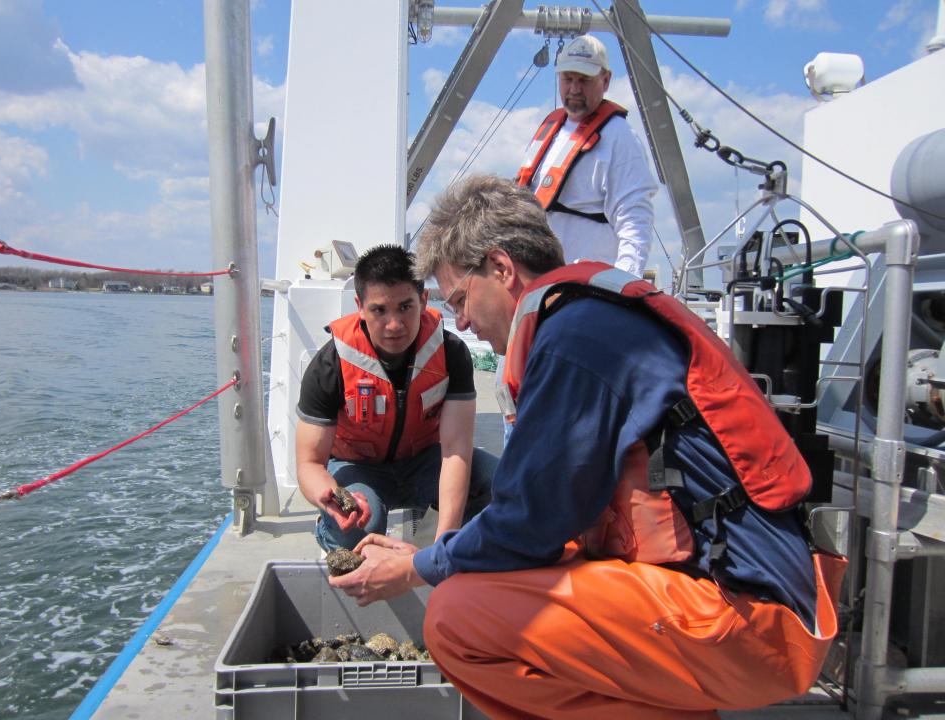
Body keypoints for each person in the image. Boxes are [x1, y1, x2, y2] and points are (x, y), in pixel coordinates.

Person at [329, 176, 845, 719]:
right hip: (746, 597)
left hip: (746, 615)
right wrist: (432, 558)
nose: (459, 321)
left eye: (459, 298)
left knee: (456, 620)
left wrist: (418, 570)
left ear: (501, 269)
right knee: (476, 578)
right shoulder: (589, 319)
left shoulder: (573, 338)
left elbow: (525, 522)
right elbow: (543, 526)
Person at [295, 244, 496, 551]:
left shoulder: (450, 353)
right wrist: (331, 496)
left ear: (424, 300)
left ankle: (432, 544)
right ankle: (335, 538)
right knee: (357, 522)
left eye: (405, 307)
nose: (394, 324)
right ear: (360, 306)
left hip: (425, 463)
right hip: (358, 468)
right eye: (379, 310)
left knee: (502, 483)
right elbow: (309, 463)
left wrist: (445, 543)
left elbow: (456, 448)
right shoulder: (330, 365)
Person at [516, 33, 658, 276]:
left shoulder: (619, 137)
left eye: (584, 80)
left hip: (583, 286)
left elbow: (635, 218)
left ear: (605, 80)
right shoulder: (551, 130)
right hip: (540, 279)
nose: (574, 89)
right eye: (568, 78)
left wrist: (623, 284)